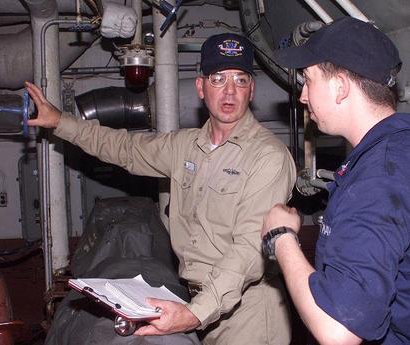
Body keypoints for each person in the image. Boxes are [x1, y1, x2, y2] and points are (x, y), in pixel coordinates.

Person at [26, 32, 296, 345]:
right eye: (218, 78)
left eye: (240, 79)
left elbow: (249, 249)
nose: (230, 91)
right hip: (198, 306)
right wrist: (60, 121)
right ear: (200, 87)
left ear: (251, 91)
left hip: (247, 314)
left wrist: (196, 313)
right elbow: (123, 147)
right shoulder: (184, 147)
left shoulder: (268, 157)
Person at [260, 16, 409, 345]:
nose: (302, 96)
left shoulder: (376, 181)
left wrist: (281, 237)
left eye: (309, 80)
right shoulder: (400, 148)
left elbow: (338, 330)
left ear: (340, 87)